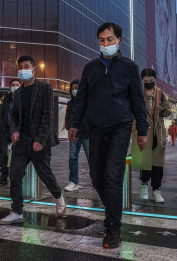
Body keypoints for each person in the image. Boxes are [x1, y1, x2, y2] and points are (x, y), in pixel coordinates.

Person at [69, 22, 148, 249]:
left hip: (120, 127)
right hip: (95, 128)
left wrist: (142, 130)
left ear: (119, 41)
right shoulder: (90, 67)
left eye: (110, 40)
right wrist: (74, 124)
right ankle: (113, 209)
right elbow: (81, 99)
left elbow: (138, 101)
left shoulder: (130, 67)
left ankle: (113, 226)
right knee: (96, 177)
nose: (106, 44)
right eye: (102, 40)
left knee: (113, 177)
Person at [0, 55, 65, 225]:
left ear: (34, 70)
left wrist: (40, 140)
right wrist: (14, 131)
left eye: (27, 66)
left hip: (39, 141)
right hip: (21, 142)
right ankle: (17, 211)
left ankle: (58, 195)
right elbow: (14, 116)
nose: (23, 69)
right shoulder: (17, 93)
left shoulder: (45, 88)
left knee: (45, 173)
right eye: (21, 67)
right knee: (15, 174)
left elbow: (48, 116)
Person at [132, 68, 171, 203]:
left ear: (155, 79)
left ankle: (156, 190)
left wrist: (164, 109)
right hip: (142, 130)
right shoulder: (137, 92)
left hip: (158, 132)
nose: (149, 83)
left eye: (151, 81)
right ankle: (144, 185)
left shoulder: (161, 94)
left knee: (158, 163)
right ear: (142, 80)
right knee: (144, 160)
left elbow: (167, 113)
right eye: (146, 81)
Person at [64, 79, 89, 192]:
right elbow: (68, 118)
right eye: (73, 88)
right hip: (74, 135)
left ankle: (97, 180)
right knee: (73, 158)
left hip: (87, 134)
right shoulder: (70, 103)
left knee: (92, 158)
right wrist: (70, 129)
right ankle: (73, 182)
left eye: (77, 87)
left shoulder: (88, 101)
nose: (75, 90)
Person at [0, 79, 21, 184]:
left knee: (17, 153)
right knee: (3, 153)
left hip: (18, 130)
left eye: (17, 85)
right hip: (5, 129)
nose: (15, 86)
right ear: (10, 87)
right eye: (13, 85)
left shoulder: (23, 98)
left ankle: (16, 176)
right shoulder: (7, 99)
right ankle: (4, 175)